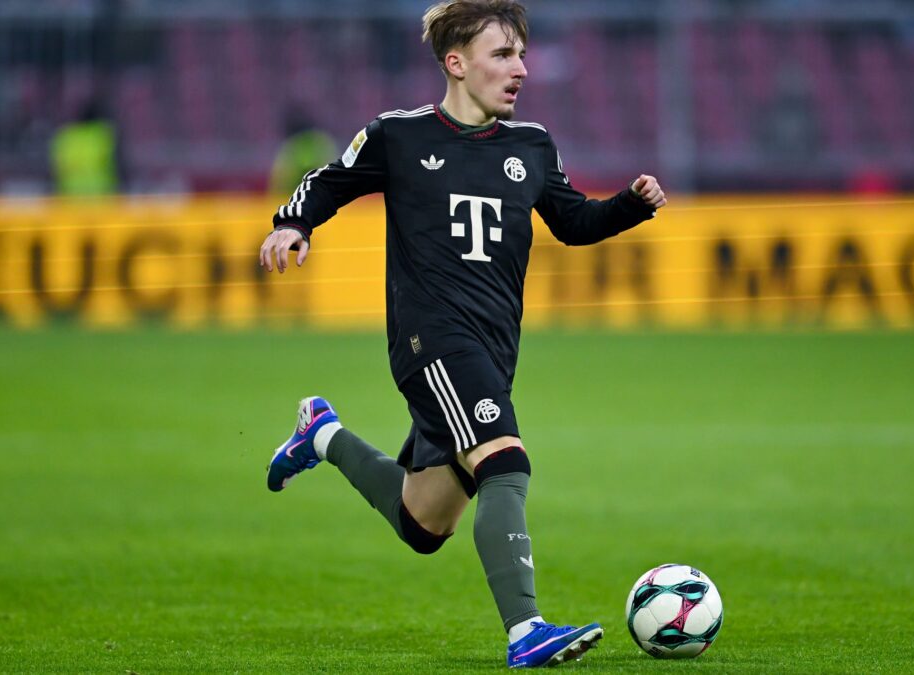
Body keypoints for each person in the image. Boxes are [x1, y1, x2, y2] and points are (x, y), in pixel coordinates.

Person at [258, 0, 666, 668]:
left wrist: (629, 205)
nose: (521, 69)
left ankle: (321, 433)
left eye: (523, 54)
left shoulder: (531, 148)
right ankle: (525, 629)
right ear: (456, 63)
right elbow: (330, 181)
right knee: (506, 459)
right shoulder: (400, 136)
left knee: (425, 522)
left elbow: (572, 222)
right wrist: (292, 222)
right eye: (503, 54)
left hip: (492, 349)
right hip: (430, 341)